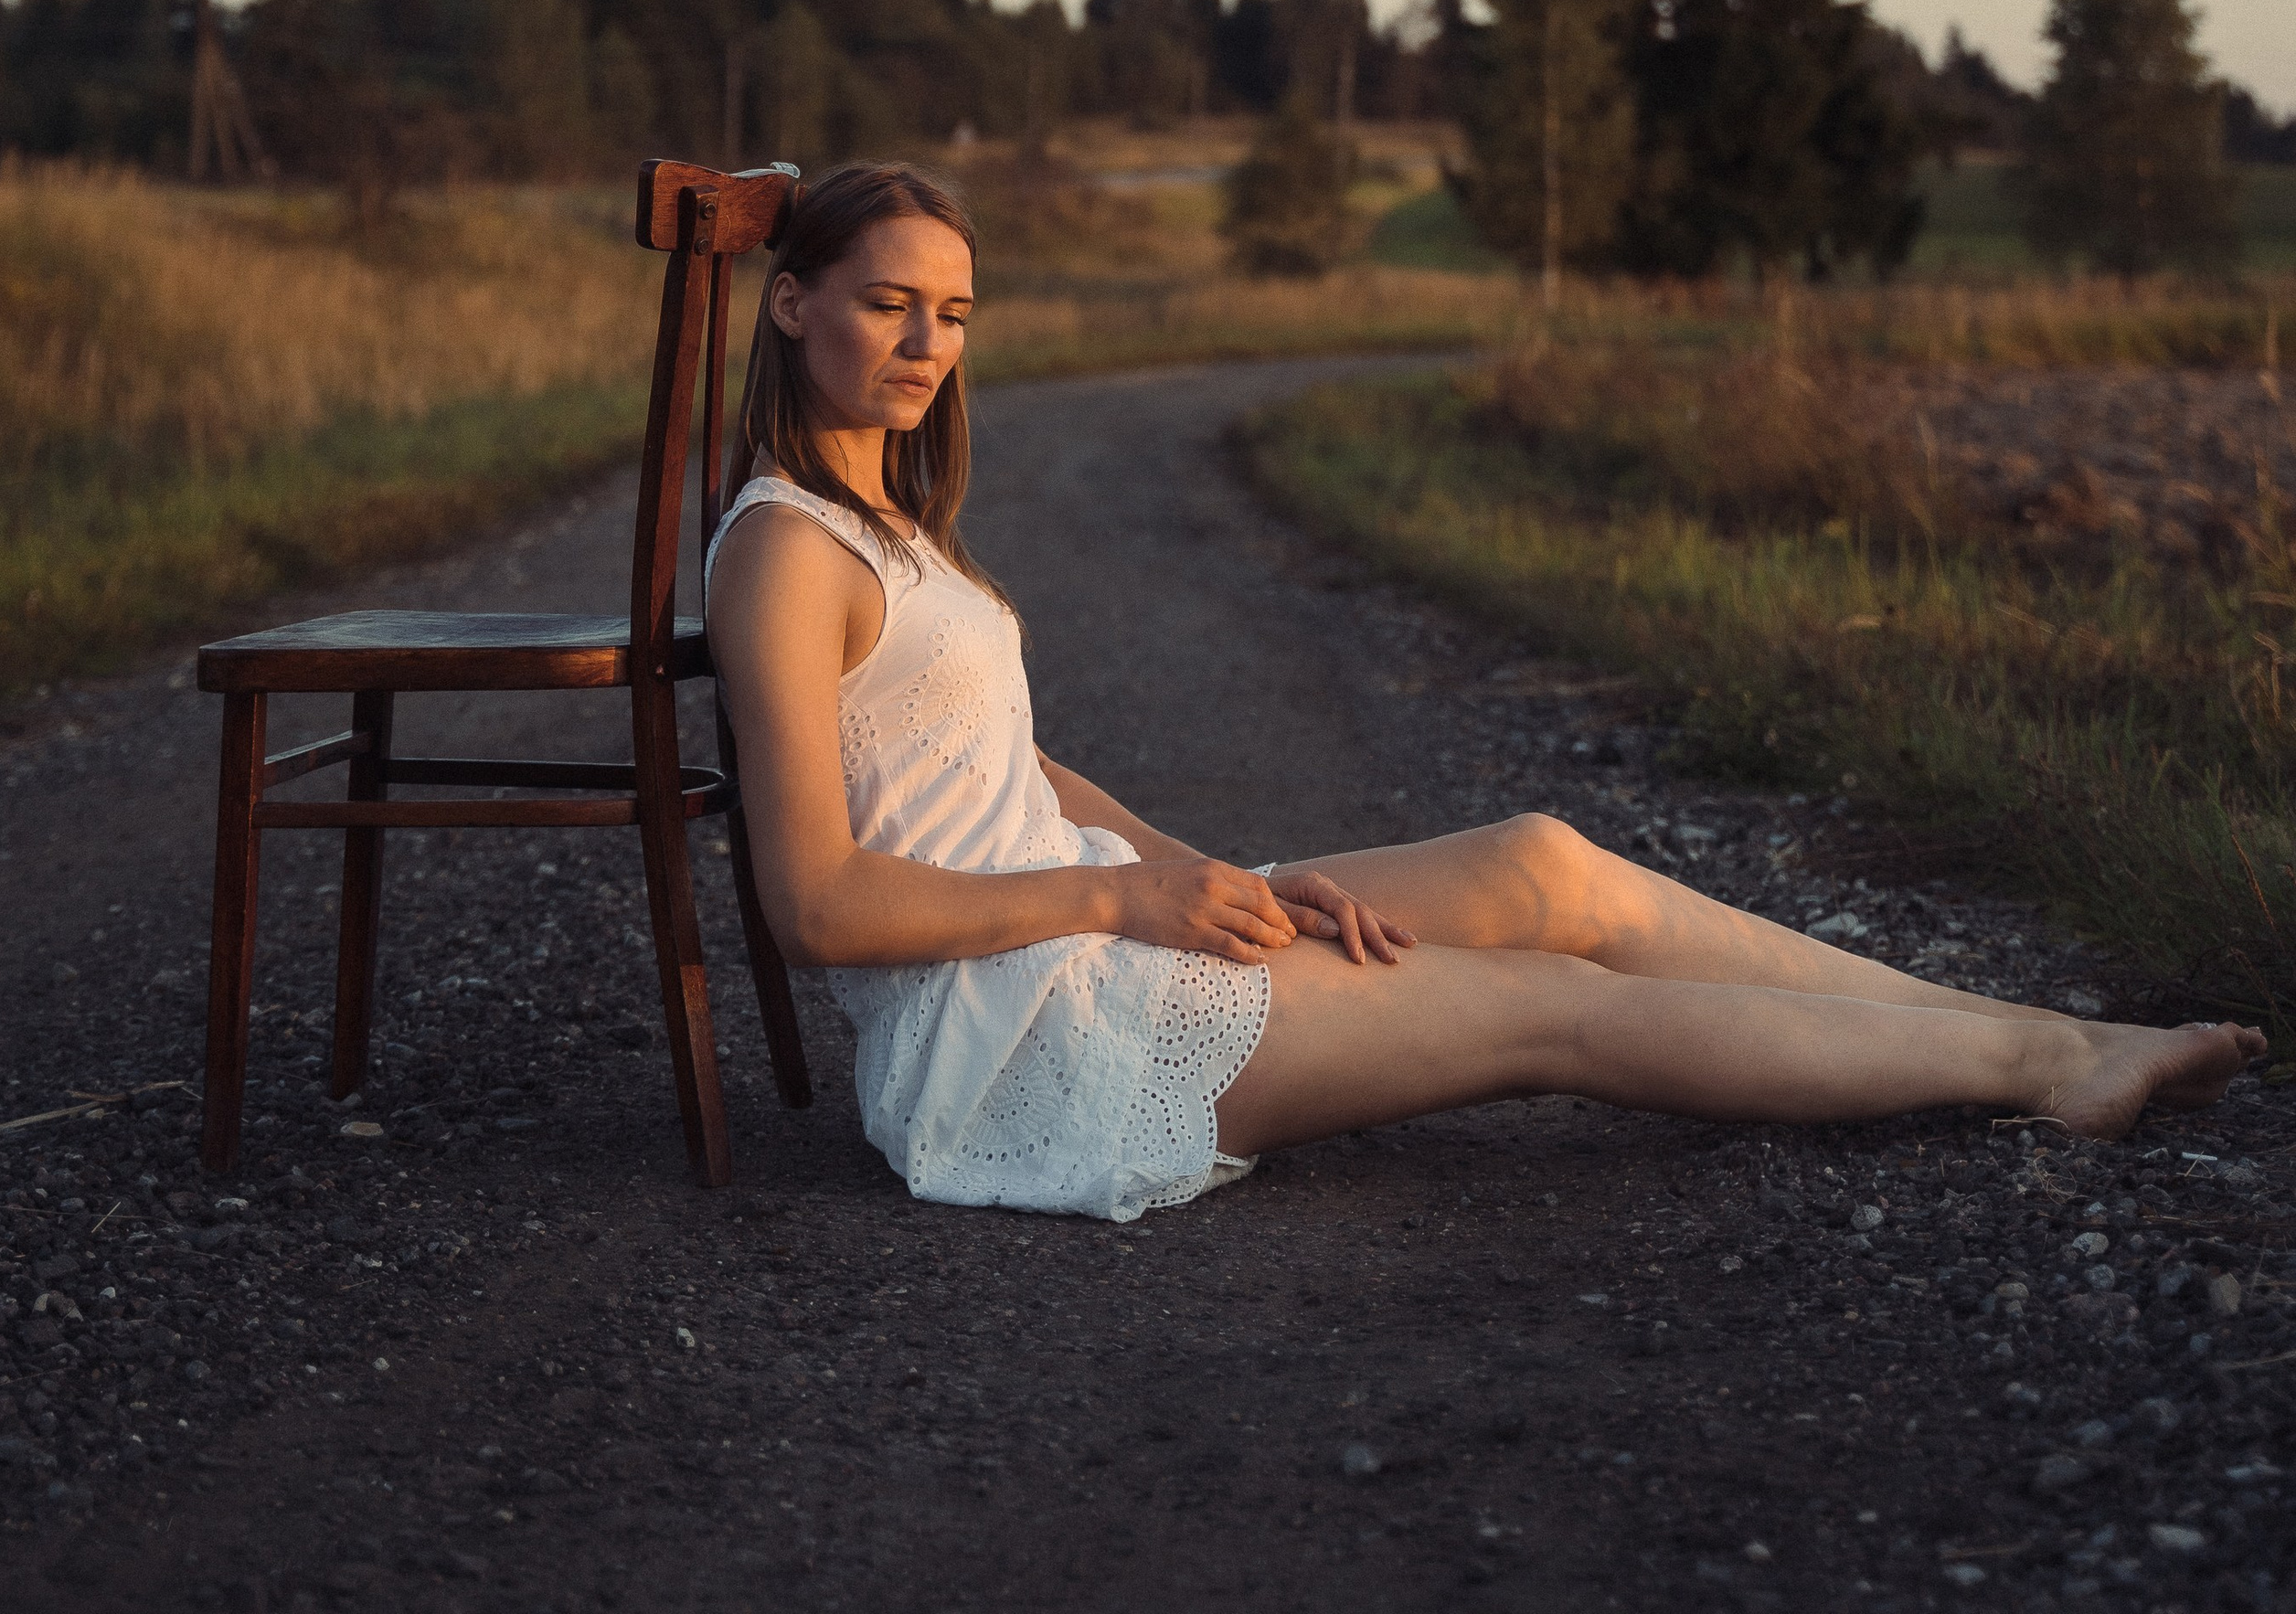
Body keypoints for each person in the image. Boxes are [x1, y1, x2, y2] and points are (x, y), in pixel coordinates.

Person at [705, 163, 2262, 1226]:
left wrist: (1212, 880)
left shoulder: (887, 525)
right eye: (888, 303)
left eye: (955, 313)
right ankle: (2050, 1069)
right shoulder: (784, 551)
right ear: (792, 305)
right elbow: (819, 907)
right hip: (1017, 1036)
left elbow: (1013, 773)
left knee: (1547, 866)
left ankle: (2047, 1023)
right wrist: (1123, 912)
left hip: (1086, 931)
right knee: (1554, 1012)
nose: (927, 344)